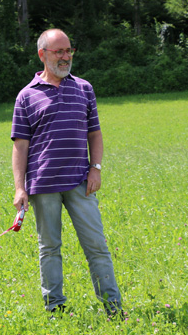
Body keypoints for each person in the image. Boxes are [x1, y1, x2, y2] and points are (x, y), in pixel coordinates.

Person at [11, 28, 123, 318]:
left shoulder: (84, 88)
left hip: (79, 181)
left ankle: (113, 307)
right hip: (43, 184)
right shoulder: (26, 96)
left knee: (97, 245)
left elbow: (95, 134)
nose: (65, 56)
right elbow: (20, 147)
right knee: (49, 248)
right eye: (58, 51)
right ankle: (55, 308)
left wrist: (95, 168)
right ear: (42, 54)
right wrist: (20, 188)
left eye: (68, 50)